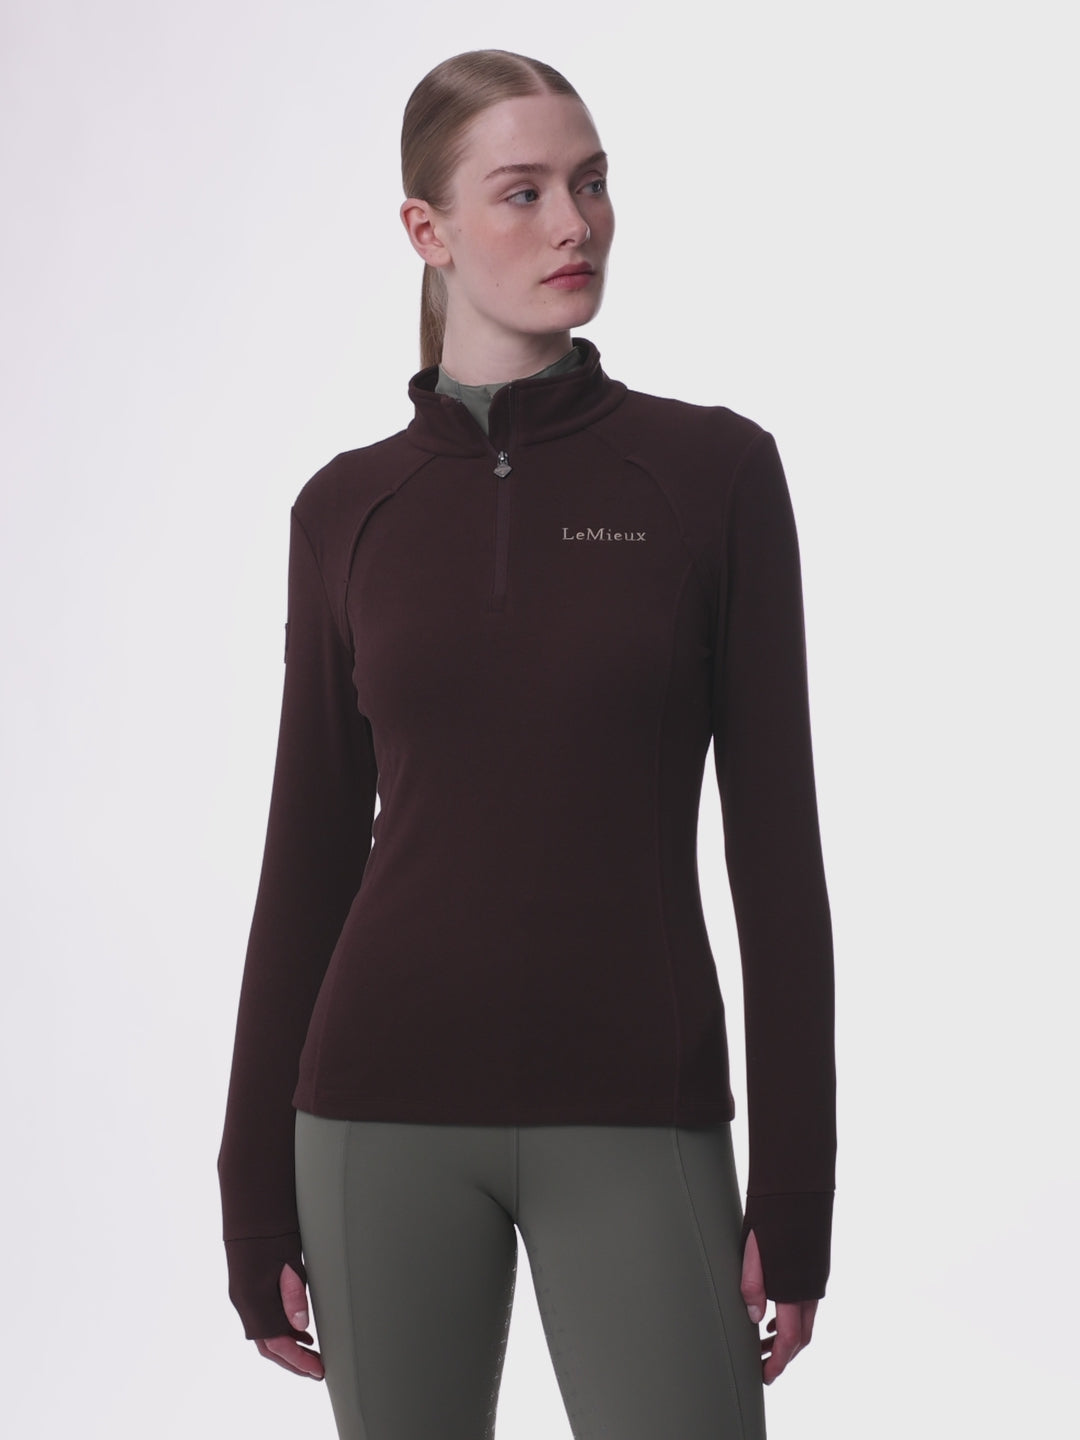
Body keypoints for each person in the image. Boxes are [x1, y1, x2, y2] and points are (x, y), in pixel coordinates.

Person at [216, 47, 836, 1440]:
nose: (576, 223)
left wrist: (797, 1187)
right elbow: (306, 857)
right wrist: (251, 1187)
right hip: (374, 1113)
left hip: (638, 1107)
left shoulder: (712, 475)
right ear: (426, 230)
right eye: (524, 192)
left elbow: (778, 856)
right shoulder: (347, 510)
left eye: (592, 183)